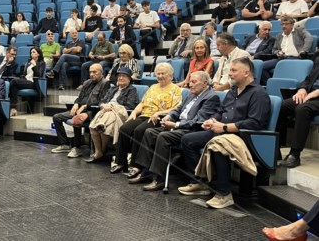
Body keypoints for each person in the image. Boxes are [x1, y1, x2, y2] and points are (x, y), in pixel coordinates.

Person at [180, 57, 270, 209]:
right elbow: (221, 111)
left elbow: (255, 123)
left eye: (234, 71)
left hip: (243, 136)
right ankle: (200, 183)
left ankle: (224, 194)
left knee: (218, 146)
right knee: (187, 140)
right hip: (222, 131)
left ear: (246, 72)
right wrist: (212, 121)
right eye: (230, 70)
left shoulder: (258, 93)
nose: (230, 74)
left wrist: (226, 127)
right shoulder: (233, 91)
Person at [130, 71, 220, 190]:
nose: (190, 85)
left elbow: (198, 121)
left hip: (192, 130)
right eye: (190, 82)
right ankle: (145, 171)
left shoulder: (211, 97)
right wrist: (169, 116)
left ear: (204, 83)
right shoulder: (190, 94)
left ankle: (159, 179)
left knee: (163, 136)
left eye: (194, 82)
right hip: (179, 126)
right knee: (149, 132)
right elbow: (178, 109)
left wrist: (176, 124)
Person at [112, 63, 182, 175]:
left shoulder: (176, 89)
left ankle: (136, 165)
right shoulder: (153, 87)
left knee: (139, 131)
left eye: (163, 73)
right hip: (145, 114)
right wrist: (134, 112)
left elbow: (176, 108)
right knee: (124, 129)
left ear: (170, 76)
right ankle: (120, 162)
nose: (160, 76)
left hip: (159, 118)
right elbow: (143, 103)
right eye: (158, 73)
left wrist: (159, 113)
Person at [50, 64, 110, 158]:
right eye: (90, 72)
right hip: (80, 109)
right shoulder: (87, 83)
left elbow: (102, 102)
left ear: (101, 72)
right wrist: (76, 104)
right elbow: (80, 98)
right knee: (57, 117)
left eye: (94, 72)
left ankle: (77, 148)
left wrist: (85, 107)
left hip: (93, 112)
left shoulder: (105, 83)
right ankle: (65, 144)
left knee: (76, 118)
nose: (91, 74)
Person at [86, 68, 140, 162]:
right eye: (119, 76)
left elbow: (130, 106)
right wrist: (103, 105)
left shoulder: (132, 90)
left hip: (120, 115)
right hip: (107, 113)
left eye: (124, 76)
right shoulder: (112, 89)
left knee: (108, 116)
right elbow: (102, 101)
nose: (121, 78)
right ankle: (99, 151)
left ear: (129, 79)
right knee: (95, 129)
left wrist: (112, 106)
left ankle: (100, 151)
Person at [276, 54, 319, 168]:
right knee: (280, 106)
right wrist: (302, 89)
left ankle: (295, 154)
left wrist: (317, 92)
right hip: (310, 96)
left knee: (302, 109)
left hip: (316, 97)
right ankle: (275, 149)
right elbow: (308, 79)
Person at [261, 16, 313, 85]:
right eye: (282, 24)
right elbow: (274, 49)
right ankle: (271, 84)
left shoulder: (299, 31)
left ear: (292, 24)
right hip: (282, 58)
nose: (284, 26)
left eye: (286, 24)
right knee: (261, 66)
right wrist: (278, 53)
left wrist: (304, 50)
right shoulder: (279, 36)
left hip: (296, 58)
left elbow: (309, 38)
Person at [8, 47, 46, 117]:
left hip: (33, 83)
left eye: (34, 52)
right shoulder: (29, 63)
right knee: (14, 88)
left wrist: (34, 65)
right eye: (31, 52)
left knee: (14, 81)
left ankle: (4, 91)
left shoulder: (42, 63)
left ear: (38, 54)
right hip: (26, 81)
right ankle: (13, 109)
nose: (32, 54)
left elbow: (39, 75)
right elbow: (25, 74)